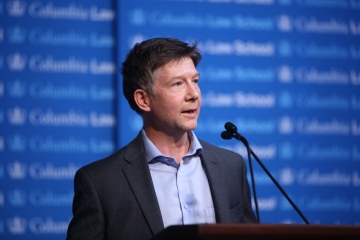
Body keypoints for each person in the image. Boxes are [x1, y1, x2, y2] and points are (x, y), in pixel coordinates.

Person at [66, 37, 257, 240]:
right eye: (177, 84)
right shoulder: (100, 183)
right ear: (144, 100)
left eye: (195, 81)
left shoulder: (231, 166)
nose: (193, 94)